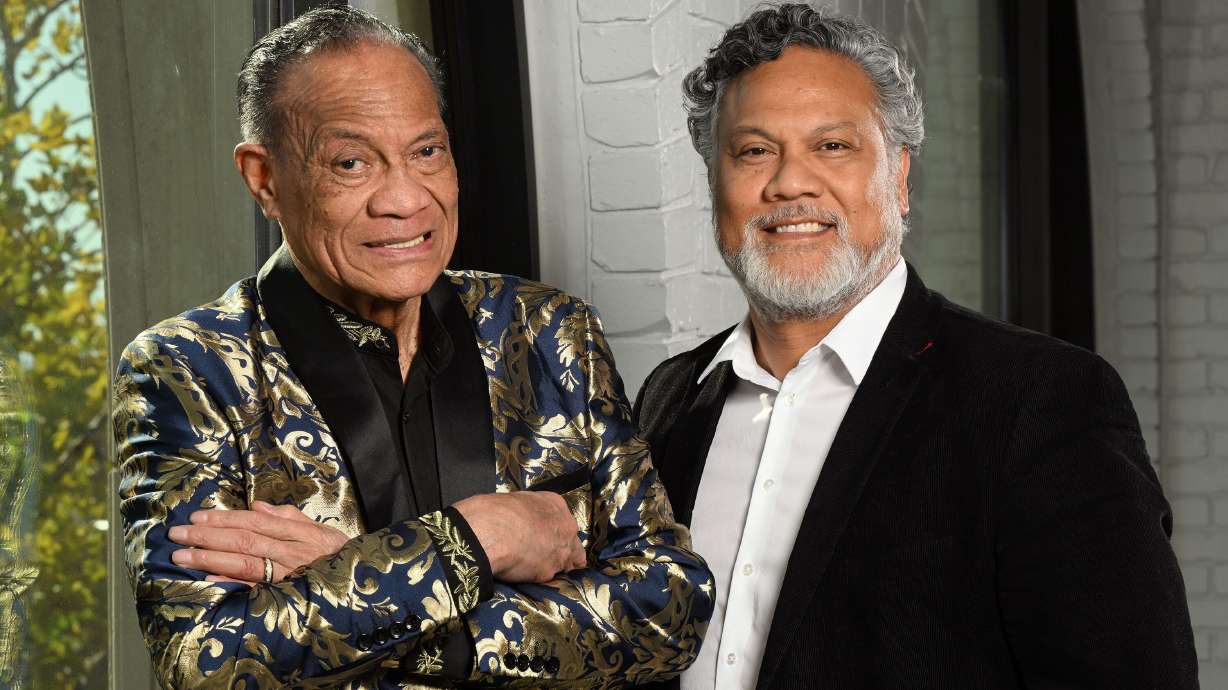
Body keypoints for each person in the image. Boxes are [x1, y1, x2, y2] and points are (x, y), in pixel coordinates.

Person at [111, 7, 711, 688]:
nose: (403, 200)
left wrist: (370, 585)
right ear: (264, 178)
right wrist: (475, 538)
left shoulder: (547, 329)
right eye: (350, 162)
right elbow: (206, 663)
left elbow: (672, 610)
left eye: (427, 152)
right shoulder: (189, 368)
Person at [633, 4, 1197, 689]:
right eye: (753, 150)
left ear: (899, 177)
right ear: (716, 183)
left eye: (832, 146)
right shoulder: (672, 399)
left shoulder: (1040, 401)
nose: (789, 182)